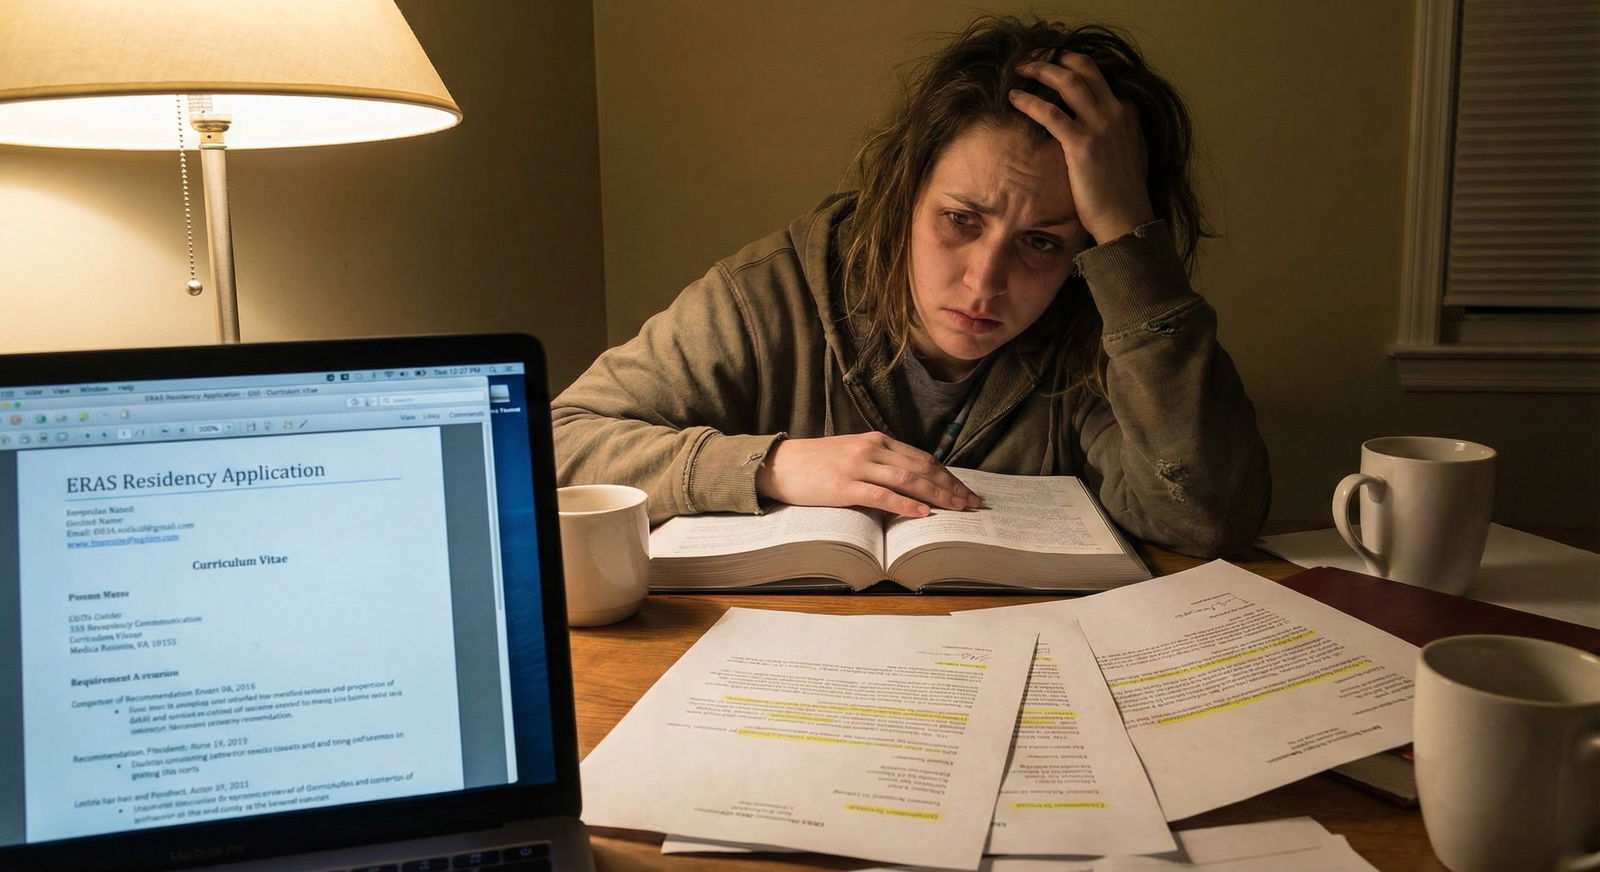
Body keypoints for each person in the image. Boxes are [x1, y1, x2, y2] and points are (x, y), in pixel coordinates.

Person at [551, 14, 1270, 559]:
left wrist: (1128, 243)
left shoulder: (1099, 328)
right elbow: (553, 447)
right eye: (960, 220)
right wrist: (770, 465)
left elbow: (1201, 518)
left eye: (1043, 242)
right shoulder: (771, 292)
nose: (985, 282)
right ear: (903, 195)